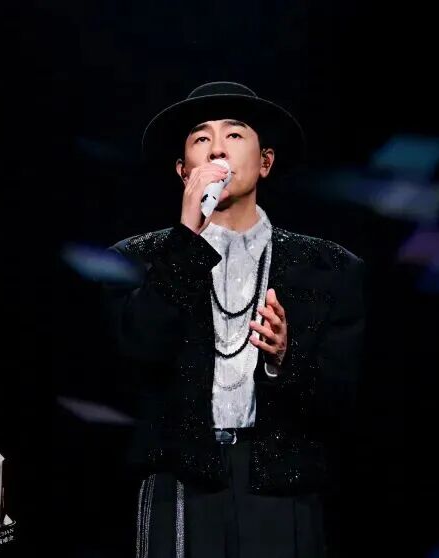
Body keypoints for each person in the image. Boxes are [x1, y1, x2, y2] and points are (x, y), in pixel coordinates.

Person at [101, 81, 366, 557]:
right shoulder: (135, 259)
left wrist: (284, 360)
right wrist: (186, 240)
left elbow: (346, 399)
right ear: (183, 170)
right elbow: (135, 357)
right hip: (178, 480)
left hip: (281, 486)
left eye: (235, 134)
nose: (218, 148)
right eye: (202, 138)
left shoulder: (329, 268)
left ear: (265, 162)